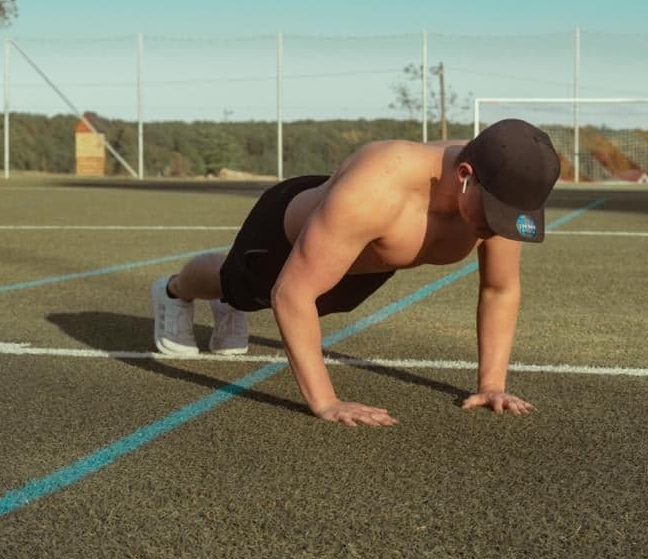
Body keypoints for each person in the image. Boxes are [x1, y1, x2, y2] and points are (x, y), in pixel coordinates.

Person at [151, 118, 561, 428]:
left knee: (326, 303)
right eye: (494, 216)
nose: (498, 228)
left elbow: (499, 289)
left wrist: (491, 385)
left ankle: (227, 304)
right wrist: (326, 402)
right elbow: (291, 295)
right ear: (465, 177)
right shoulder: (379, 186)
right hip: (282, 233)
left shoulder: (503, 195)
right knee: (240, 288)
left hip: (362, 260)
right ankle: (174, 291)